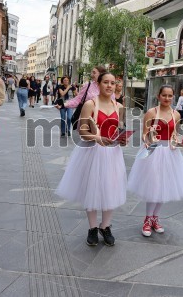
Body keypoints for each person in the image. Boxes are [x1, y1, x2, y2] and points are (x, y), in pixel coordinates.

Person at [56, 72, 127, 247]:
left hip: (113, 153)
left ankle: (106, 226)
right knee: (92, 187)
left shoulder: (120, 107)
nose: (109, 86)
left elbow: (120, 130)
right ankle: (93, 228)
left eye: (113, 83)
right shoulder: (90, 104)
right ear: (99, 84)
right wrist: (97, 138)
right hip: (92, 151)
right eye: (106, 82)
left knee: (111, 187)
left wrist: (123, 139)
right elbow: (82, 132)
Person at [128, 85, 183, 237]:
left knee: (164, 186)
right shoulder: (152, 112)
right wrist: (147, 140)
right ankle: (147, 219)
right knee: (153, 186)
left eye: (170, 96)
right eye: (164, 95)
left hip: (169, 153)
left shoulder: (176, 114)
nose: (167, 98)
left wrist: (179, 141)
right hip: (153, 152)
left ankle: (155, 218)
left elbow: (174, 134)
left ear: (173, 97)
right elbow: (144, 133)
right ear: (158, 96)